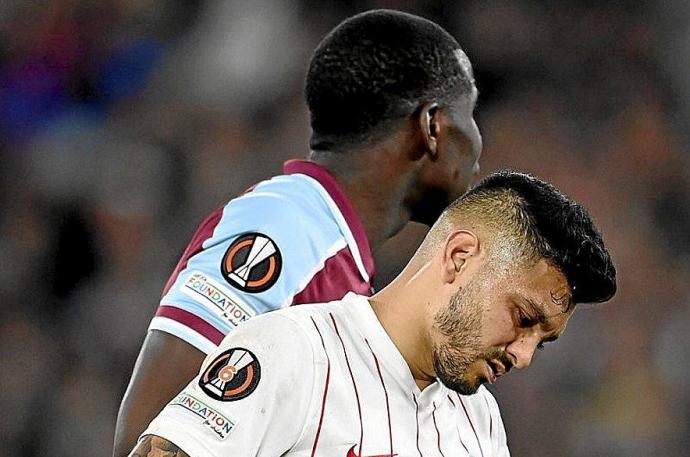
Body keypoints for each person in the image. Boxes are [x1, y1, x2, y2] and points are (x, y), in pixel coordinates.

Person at [113, 9, 483, 456]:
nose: (479, 140)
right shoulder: (286, 231)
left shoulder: (339, 262)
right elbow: (152, 432)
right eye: (470, 113)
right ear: (431, 126)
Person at [127, 171, 616, 457]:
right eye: (524, 318)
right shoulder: (294, 351)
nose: (525, 355)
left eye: (542, 341)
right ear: (460, 257)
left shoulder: (481, 423)